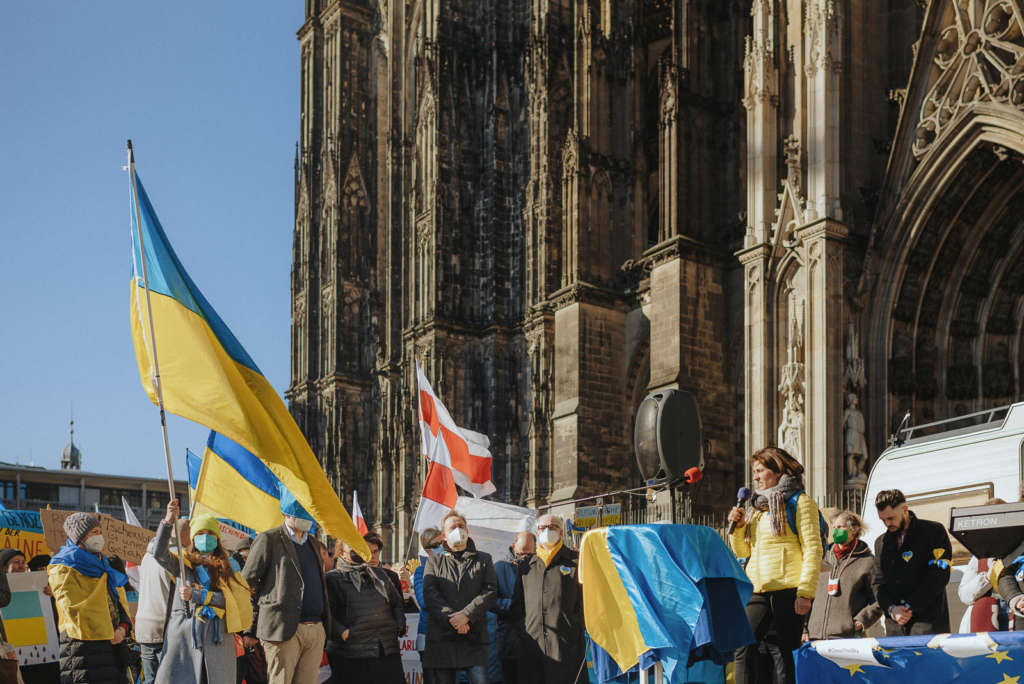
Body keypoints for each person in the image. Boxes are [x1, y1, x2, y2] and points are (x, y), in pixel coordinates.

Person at [727, 447, 822, 684]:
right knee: (743, 645)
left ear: (778, 471)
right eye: (754, 472)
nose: (755, 477)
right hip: (758, 588)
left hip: (788, 589)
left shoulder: (801, 502)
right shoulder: (756, 508)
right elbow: (743, 552)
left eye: (760, 471)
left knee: (785, 655)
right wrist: (738, 528)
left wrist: (805, 593)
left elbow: (813, 549)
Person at [153, 501, 252, 684]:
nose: (205, 538)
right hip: (185, 641)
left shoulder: (229, 566)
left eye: (209, 533)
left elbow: (232, 602)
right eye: (200, 534)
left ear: (217, 538)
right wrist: (168, 521)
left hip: (218, 639)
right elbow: (158, 553)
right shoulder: (183, 563)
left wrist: (198, 596)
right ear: (193, 538)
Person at [241, 492, 331, 684]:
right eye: (300, 512)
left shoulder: (314, 543)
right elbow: (246, 584)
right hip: (282, 630)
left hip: (315, 629)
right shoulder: (269, 539)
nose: (306, 517)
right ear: (286, 513)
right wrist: (251, 627)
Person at [47, 512, 133, 683]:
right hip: (82, 648)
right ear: (80, 537)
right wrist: (109, 631)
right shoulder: (63, 566)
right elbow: (73, 609)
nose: (99, 537)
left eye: (99, 532)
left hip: (113, 648)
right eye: (94, 532)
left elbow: (117, 601)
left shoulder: (104, 565)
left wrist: (122, 628)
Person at [422, 510, 497, 684]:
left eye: (461, 526)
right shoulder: (434, 561)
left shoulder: (484, 559)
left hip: (474, 636)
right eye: (452, 527)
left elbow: (490, 591)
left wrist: (467, 615)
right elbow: (430, 594)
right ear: (444, 535)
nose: (458, 530)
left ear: (467, 530)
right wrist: (455, 620)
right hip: (442, 637)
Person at [870, 488, 951, 635]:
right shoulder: (881, 543)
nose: (887, 524)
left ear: (905, 510)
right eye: (883, 520)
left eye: (891, 518)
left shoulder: (933, 531)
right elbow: (878, 583)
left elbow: (939, 574)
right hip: (895, 626)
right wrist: (891, 609)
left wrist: (910, 606)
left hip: (927, 623)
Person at [324, 540, 406, 684]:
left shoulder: (379, 574)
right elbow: (325, 612)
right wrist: (343, 633)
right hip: (352, 652)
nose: (358, 550)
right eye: (353, 547)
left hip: (386, 648)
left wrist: (398, 625)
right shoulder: (332, 578)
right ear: (342, 553)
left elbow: (396, 602)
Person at [519, 515, 584, 684]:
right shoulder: (526, 566)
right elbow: (517, 606)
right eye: (543, 527)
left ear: (561, 532)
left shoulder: (576, 561)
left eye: (553, 526)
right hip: (533, 645)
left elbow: (585, 602)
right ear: (537, 532)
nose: (547, 530)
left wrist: (574, 627)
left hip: (565, 644)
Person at [805, 511, 881, 640]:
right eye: (834, 527)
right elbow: (807, 593)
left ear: (854, 529)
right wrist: (804, 628)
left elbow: (879, 599)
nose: (835, 531)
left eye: (840, 527)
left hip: (847, 638)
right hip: (814, 637)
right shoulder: (822, 557)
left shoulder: (867, 561)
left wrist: (861, 621)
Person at [135, 518, 190, 684]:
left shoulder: (147, 555)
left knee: (150, 679)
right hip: (165, 629)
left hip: (144, 627)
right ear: (187, 536)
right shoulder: (177, 558)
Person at [958, 498, 1010, 632]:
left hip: (1013, 615)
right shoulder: (979, 555)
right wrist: (987, 578)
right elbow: (964, 595)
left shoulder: (1017, 550)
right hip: (983, 619)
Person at [493, 532, 532, 684]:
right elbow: (490, 601)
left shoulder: (539, 568)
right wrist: (514, 605)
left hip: (535, 639)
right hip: (509, 638)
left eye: (529, 554)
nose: (525, 557)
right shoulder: (500, 568)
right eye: (521, 553)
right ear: (513, 547)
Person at [414, 527, 443, 684]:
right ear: (427, 549)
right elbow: (424, 601)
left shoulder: (453, 566)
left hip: (449, 638)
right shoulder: (421, 571)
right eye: (436, 545)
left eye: (442, 543)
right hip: (428, 636)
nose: (441, 547)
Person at [365, 532, 403, 597]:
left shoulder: (392, 577)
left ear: (379, 551)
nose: (372, 556)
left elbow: (399, 602)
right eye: (368, 552)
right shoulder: (356, 577)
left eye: (375, 551)